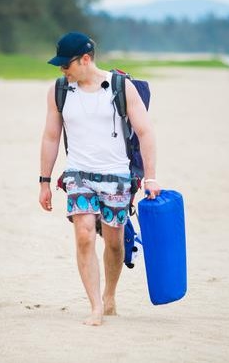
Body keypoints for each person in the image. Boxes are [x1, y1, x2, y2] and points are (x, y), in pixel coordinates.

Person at [38, 32, 161, 326]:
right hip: (78, 174)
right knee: (84, 236)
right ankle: (94, 306)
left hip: (117, 176)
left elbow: (145, 132)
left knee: (115, 242)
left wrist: (152, 179)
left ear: (85, 59)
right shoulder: (59, 91)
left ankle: (110, 295)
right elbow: (51, 136)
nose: (62, 71)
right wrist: (44, 180)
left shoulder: (121, 87)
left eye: (66, 65)